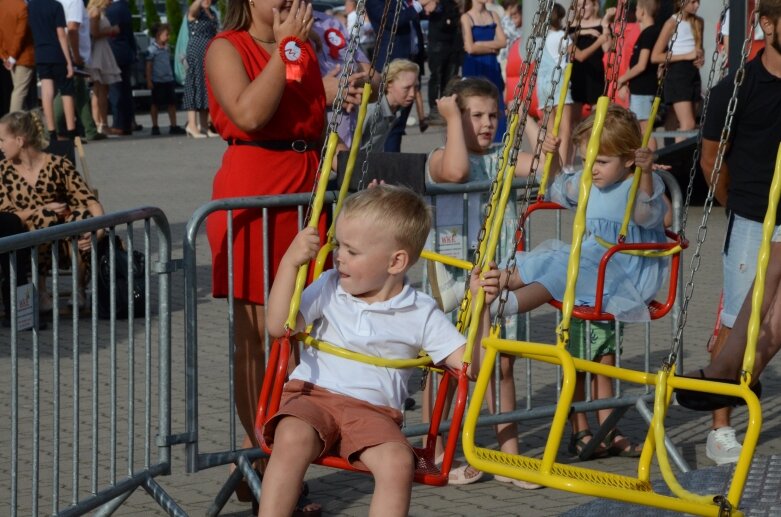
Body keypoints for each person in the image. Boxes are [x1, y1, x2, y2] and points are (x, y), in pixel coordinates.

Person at [260, 185, 485, 517]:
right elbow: (279, 326)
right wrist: (289, 264)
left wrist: (482, 308)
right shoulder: (328, 286)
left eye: (352, 251)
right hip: (313, 396)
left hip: (373, 413)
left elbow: (473, 366)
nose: (339, 257)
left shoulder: (419, 311)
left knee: (398, 462)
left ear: (395, 262)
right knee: (291, 436)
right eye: (339, 246)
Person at [478, 105, 666, 455]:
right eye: (587, 158)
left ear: (628, 160)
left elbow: (649, 212)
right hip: (591, 270)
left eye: (602, 161)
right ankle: (501, 283)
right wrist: (549, 157)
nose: (592, 168)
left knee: (598, 360)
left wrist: (646, 174)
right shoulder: (589, 183)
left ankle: (507, 303)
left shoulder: (631, 191)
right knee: (556, 263)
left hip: (617, 277)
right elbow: (554, 188)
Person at [203, 0, 322, 513]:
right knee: (255, 333)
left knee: (298, 329)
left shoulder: (297, 46)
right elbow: (250, 112)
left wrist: (357, 89)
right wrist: (288, 48)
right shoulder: (224, 47)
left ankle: (284, 457)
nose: (292, 3)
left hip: (303, 188)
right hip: (253, 193)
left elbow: (295, 103)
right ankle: (262, 461)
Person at [426, 76, 559, 488]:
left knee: (501, 363)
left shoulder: (502, 157)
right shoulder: (439, 156)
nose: (486, 123)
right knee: (446, 366)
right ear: (454, 116)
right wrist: (449, 118)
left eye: (493, 115)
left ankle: (509, 456)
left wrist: (527, 125)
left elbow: (543, 170)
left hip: (496, 274)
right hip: (453, 275)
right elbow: (458, 169)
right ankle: (435, 450)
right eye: (475, 115)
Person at [674, 0, 781, 465]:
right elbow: (711, 158)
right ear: (770, 25)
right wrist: (734, 203)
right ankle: (721, 428)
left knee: (773, 330)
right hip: (754, 216)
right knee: (739, 319)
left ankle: (729, 386)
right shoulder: (737, 89)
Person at [0, 109, 104, 309]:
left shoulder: (58, 165)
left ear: (20, 141)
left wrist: (98, 231)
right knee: (45, 216)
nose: (0, 146)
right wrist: (42, 209)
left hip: (65, 243)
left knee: (82, 217)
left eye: (3, 140)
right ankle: (41, 292)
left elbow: (90, 201)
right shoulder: (3, 172)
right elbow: (5, 217)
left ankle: (79, 288)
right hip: (24, 244)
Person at [366, 0, 431, 152]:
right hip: (392, 66)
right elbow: (393, 21)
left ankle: (394, 161)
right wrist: (419, 4)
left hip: (411, 65)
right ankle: (388, 165)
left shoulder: (403, 2)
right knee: (389, 123)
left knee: (400, 124)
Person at [651, 0, 704, 143]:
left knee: (678, 121)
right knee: (688, 124)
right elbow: (656, 56)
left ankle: (671, 155)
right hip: (677, 73)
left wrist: (700, 58)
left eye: (698, 2)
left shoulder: (698, 22)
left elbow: (697, 50)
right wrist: (686, 56)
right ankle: (680, 159)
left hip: (692, 73)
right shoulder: (671, 23)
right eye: (693, 2)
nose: (697, 5)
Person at [27, 0, 77, 140]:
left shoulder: (31, 6)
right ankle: (70, 130)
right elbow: (61, 34)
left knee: (46, 92)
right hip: (57, 53)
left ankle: (51, 130)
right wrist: (68, 61)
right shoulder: (56, 6)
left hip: (41, 54)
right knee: (66, 90)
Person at [460, 0, 507, 142]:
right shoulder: (466, 17)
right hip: (475, 66)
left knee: (496, 103)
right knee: (473, 103)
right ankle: (474, 141)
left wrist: (481, 44)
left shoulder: (494, 15)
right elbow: (470, 48)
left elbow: (503, 42)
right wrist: (493, 48)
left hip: (491, 65)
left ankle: (499, 143)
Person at [617, 0, 660, 151]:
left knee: (645, 130)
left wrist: (621, 80)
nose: (634, 12)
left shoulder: (650, 33)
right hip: (639, 90)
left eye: (636, 9)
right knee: (641, 129)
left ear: (642, 11)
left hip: (644, 90)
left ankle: (650, 164)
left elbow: (641, 65)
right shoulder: (646, 33)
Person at [55, 0, 100, 141]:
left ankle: (90, 129)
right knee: (66, 92)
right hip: (74, 55)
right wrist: (76, 55)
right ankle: (50, 130)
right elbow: (72, 29)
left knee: (81, 92)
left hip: (65, 52)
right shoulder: (74, 2)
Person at [536, 3, 574, 165]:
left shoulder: (539, 38)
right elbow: (577, 55)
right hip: (558, 81)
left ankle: (550, 163)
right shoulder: (561, 36)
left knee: (551, 129)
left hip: (542, 83)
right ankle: (564, 164)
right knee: (565, 128)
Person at [357, 58, 418, 154]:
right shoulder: (371, 111)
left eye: (416, 87)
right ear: (389, 84)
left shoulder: (395, 109)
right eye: (407, 88)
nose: (412, 94)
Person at [568, 0, 614, 118]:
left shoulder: (601, 24)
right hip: (576, 73)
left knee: (597, 115)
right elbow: (563, 41)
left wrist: (605, 24)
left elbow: (606, 47)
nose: (582, 8)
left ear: (595, 5)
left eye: (586, 4)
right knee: (574, 117)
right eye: (578, 6)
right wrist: (583, 32)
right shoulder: (572, 26)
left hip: (595, 73)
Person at [86, 0, 121, 138]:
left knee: (97, 90)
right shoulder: (95, 12)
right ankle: (103, 123)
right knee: (101, 89)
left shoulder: (94, 11)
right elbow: (94, 33)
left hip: (100, 50)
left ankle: (99, 122)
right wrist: (111, 30)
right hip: (100, 50)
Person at [184, 0, 219, 138]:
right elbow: (192, 10)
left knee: (205, 87)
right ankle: (191, 125)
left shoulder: (212, 13)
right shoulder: (195, 12)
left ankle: (204, 126)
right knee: (194, 85)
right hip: (196, 51)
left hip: (208, 51)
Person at [426, 0, 463, 126]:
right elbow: (443, 23)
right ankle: (434, 109)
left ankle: (446, 107)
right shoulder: (437, 4)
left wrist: (450, 21)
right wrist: (449, 21)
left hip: (452, 47)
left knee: (449, 80)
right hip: (437, 46)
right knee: (436, 78)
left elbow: (452, 22)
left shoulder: (454, 5)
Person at [146, 23, 186, 136]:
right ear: (159, 35)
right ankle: (155, 126)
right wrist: (149, 80)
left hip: (168, 80)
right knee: (155, 104)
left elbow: (179, 56)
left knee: (172, 103)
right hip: (157, 80)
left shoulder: (167, 48)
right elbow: (148, 66)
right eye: (166, 35)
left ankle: (173, 125)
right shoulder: (152, 49)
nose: (168, 37)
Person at [105, 0, 136, 135]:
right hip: (125, 51)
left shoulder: (113, 9)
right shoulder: (124, 6)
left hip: (114, 52)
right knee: (125, 90)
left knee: (116, 90)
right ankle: (128, 123)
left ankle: (119, 124)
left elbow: (113, 31)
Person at [0, 0, 36, 113]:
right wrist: (11, 57)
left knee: (19, 91)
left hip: (9, 55)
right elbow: (20, 34)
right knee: (20, 93)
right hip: (22, 57)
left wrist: (4, 55)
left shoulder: (3, 4)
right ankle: (12, 126)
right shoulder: (22, 7)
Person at [498, 0, 522, 75]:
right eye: (516, 6)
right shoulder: (506, 21)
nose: (517, 8)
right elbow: (517, 35)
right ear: (510, 7)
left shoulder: (506, 20)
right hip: (505, 58)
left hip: (508, 57)